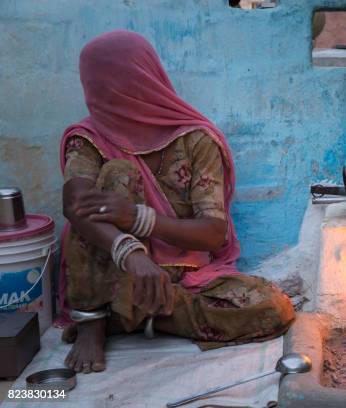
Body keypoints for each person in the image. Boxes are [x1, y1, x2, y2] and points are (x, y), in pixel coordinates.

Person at [59, 30, 295, 374]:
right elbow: (75, 204)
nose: (103, 93)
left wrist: (139, 218)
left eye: (115, 82)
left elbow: (213, 234)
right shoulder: (88, 139)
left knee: (274, 308)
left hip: (186, 277)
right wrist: (132, 252)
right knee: (118, 175)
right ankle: (94, 321)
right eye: (97, 84)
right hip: (118, 271)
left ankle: (140, 315)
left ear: (142, 78)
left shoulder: (196, 140)